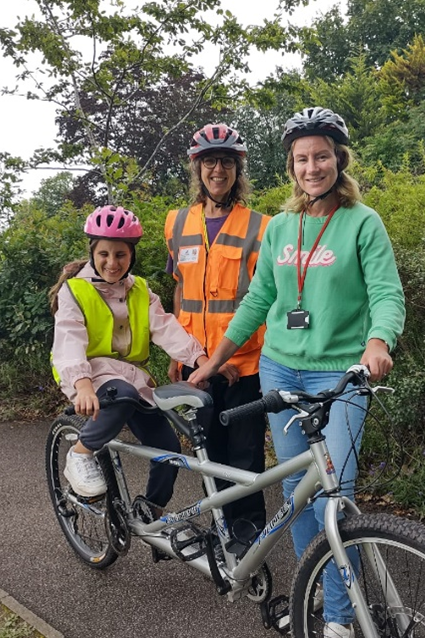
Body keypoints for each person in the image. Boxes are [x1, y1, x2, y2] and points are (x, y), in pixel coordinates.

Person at [188, 107, 405, 638]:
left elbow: (386, 292)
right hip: (280, 370)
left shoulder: (363, 222)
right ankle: (319, 598)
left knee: (336, 494)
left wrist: (379, 340)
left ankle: (335, 619)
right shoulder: (281, 226)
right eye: (303, 158)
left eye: (322, 156)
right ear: (292, 166)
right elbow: (259, 297)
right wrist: (215, 360)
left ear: (339, 160)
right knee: (298, 497)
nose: (313, 167)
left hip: (339, 376)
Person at [50, 205, 208, 517]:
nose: (112, 262)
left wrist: (199, 358)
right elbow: (69, 341)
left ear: (131, 256)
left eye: (120, 255)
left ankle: (151, 509)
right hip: (90, 375)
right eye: (104, 254)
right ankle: (80, 454)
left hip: (134, 380)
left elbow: (166, 328)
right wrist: (82, 386)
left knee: (170, 451)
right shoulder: (75, 291)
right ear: (93, 253)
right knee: (121, 395)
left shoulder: (140, 290)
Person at [164, 123, 271, 543]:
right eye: (210, 161)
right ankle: (221, 525)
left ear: (237, 169)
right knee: (209, 453)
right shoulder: (176, 223)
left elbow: (262, 299)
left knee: (244, 453)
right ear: (198, 168)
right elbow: (180, 290)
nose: (218, 170)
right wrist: (180, 352)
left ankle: (249, 532)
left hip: (243, 365)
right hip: (195, 367)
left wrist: (222, 358)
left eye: (226, 162)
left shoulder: (260, 226)